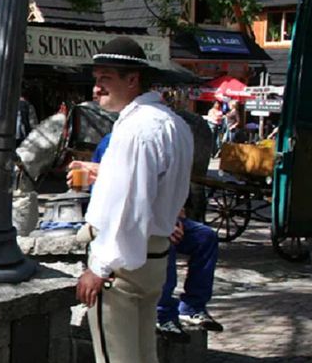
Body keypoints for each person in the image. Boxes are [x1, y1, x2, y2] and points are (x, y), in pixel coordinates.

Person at [68, 37, 193, 363]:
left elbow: (126, 207)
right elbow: (151, 188)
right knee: (143, 360)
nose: (96, 87)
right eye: (96, 78)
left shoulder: (136, 130)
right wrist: (101, 172)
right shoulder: (173, 124)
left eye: (105, 78)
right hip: (153, 256)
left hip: (122, 264)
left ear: (133, 80)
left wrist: (99, 268)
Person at [91, 134, 223, 342]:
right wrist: (163, 225)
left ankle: (192, 306)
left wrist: (174, 217)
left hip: (163, 218)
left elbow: (171, 191)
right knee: (162, 242)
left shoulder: (166, 140)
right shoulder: (119, 142)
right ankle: (162, 313)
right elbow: (123, 200)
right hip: (131, 224)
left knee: (205, 237)